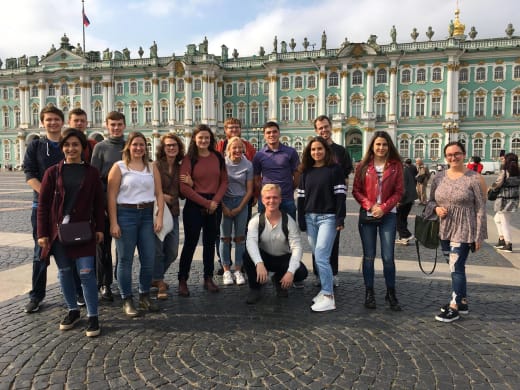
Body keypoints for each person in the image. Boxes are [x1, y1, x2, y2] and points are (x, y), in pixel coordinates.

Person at [37, 129, 105, 337]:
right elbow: (43, 205)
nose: (71, 148)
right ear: (62, 147)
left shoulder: (92, 172)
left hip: (83, 230)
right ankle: (73, 310)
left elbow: (98, 202)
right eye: (67, 145)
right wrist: (42, 233)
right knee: (65, 273)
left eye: (75, 144)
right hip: (59, 233)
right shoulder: (52, 172)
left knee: (86, 273)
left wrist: (100, 228)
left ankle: (93, 316)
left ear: (82, 147)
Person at [23, 106, 82, 313]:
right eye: (48, 120)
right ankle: (36, 295)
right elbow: (29, 174)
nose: (52, 123)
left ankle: (77, 291)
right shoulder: (36, 146)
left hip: (69, 208)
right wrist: (48, 195)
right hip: (42, 207)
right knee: (41, 251)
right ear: (42, 122)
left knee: (73, 249)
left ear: (62, 121)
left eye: (56, 119)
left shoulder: (69, 144)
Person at [428, 141, 487, 323]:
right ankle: (462, 301)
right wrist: (436, 209)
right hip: (444, 228)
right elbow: (430, 202)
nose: (453, 158)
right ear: (445, 157)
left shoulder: (475, 178)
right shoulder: (438, 177)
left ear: (464, 154)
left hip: (465, 228)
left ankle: (454, 306)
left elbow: (480, 208)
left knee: (456, 267)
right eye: (449, 155)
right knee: (455, 267)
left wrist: (479, 236)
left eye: (457, 154)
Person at [107, 132, 164, 317]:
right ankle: (127, 299)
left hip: (147, 215)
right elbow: (111, 197)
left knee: (149, 258)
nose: (139, 148)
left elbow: (159, 193)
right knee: (125, 260)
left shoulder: (151, 167)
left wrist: (159, 216)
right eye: (135, 144)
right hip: (126, 215)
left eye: (142, 145)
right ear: (128, 147)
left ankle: (144, 295)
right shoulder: (119, 167)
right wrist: (113, 222)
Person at [352, 131, 404, 311]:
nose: (381, 148)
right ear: (372, 147)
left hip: (388, 215)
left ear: (389, 146)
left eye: (384, 144)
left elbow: (399, 191)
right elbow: (356, 191)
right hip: (368, 214)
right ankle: (369, 292)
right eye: (378, 144)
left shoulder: (396, 166)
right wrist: (370, 205)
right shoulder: (363, 166)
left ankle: (391, 292)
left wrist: (384, 208)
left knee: (388, 257)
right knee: (369, 256)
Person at [178, 124, 228, 296]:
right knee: (190, 243)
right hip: (195, 205)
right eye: (200, 137)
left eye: (207, 137)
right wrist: (206, 204)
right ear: (194, 139)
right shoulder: (189, 159)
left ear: (211, 139)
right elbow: (184, 188)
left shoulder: (217, 157)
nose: (204, 140)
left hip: (214, 203)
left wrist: (215, 201)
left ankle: (208, 278)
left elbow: (224, 182)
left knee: (209, 244)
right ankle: (183, 279)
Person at [297, 137, 346, 312]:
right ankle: (325, 290)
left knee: (321, 257)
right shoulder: (306, 172)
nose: (316, 152)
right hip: (310, 218)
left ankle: (328, 296)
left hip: (328, 218)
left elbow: (340, 196)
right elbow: (301, 198)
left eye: (319, 149)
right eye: (313, 150)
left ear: (326, 150)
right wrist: (301, 218)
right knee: (318, 258)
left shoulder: (335, 170)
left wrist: (340, 218)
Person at [244, 184, 308, 304]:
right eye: (268, 198)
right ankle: (255, 288)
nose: (271, 201)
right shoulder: (256, 220)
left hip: (282, 259)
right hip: (264, 258)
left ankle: (279, 280)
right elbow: (251, 243)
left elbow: (297, 248)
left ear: (280, 199)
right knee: (247, 255)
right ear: (262, 200)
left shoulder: (289, 221)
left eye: (275, 197)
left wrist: (290, 272)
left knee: (301, 272)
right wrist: (259, 263)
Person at [313, 115, 353, 287]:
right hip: (316, 203)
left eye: (326, 127)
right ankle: (318, 274)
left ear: (331, 127)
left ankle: (333, 272)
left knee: (333, 242)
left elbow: (345, 177)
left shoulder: (340, 151)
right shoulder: (313, 149)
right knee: (316, 243)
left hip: (333, 202)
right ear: (316, 130)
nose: (324, 130)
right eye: (320, 128)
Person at [91, 111, 127, 301]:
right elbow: (94, 178)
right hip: (105, 204)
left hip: (126, 205)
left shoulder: (130, 146)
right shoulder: (100, 147)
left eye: (119, 124)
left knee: (123, 248)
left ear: (124, 126)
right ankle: (104, 284)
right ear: (106, 125)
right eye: (112, 124)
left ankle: (121, 281)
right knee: (103, 247)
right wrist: (100, 205)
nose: (116, 128)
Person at [215, 118, 256, 275]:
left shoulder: (248, 148)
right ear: (225, 130)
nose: (233, 130)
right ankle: (224, 265)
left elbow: (254, 177)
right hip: (224, 200)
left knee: (242, 235)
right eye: (230, 127)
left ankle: (240, 265)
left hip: (243, 199)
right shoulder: (219, 147)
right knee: (222, 236)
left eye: (236, 127)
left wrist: (254, 196)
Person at [152, 134, 186, 299]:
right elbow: (147, 187)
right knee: (158, 250)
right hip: (157, 212)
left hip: (173, 213)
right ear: (163, 148)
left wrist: (190, 184)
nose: (171, 148)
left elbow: (183, 193)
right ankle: (159, 282)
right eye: (168, 146)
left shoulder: (181, 167)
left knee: (172, 251)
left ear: (179, 148)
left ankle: (154, 277)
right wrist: (161, 195)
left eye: (174, 145)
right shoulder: (156, 166)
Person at [220, 137, 253, 286]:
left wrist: (240, 207)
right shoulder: (222, 164)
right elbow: (217, 186)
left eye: (240, 147)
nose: (238, 150)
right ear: (228, 149)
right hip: (224, 202)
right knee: (224, 238)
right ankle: (226, 270)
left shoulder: (248, 165)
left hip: (242, 202)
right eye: (234, 148)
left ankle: (238, 269)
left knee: (240, 238)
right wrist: (223, 206)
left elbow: (250, 189)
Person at [253, 121, 300, 219]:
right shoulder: (259, 155)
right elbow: (256, 178)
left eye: (274, 132)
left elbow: (297, 175)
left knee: (289, 230)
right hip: (266, 200)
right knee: (264, 230)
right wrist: (263, 191)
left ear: (279, 133)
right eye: (268, 132)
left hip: (286, 198)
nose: (272, 135)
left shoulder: (291, 152)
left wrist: (290, 188)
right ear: (264, 135)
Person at [491, 153, 520, 253]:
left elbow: (498, 183)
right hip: (513, 200)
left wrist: (491, 187)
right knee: (497, 219)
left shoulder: (505, 171)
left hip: (503, 200)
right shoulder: (518, 172)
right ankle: (502, 239)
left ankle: (508, 244)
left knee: (504, 223)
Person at [396, 159, 418, 245]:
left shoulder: (401, 171)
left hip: (404, 200)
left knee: (397, 219)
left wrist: (399, 200)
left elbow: (403, 188)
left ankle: (406, 234)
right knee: (403, 219)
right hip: (409, 199)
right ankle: (403, 238)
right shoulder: (405, 169)